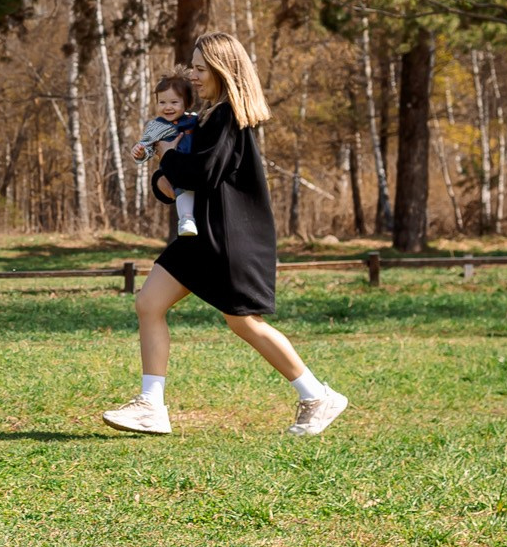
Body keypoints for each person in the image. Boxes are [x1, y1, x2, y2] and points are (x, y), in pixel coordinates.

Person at [101, 30, 349, 440]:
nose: (193, 77)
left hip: (230, 240)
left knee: (243, 322)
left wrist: (164, 157)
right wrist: (165, 173)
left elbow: (200, 173)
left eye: (200, 69)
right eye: (194, 68)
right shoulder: (208, 118)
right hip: (202, 237)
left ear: (222, 70)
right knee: (149, 302)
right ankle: (151, 406)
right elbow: (177, 183)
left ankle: (317, 395)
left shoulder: (228, 117)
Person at [131, 75, 201, 237]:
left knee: (192, 187)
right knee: (183, 189)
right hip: (173, 170)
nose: (167, 107)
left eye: (174, 102)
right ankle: (186, 219)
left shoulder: (194, 120)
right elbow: (148, 146)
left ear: (187, 103)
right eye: (162, 102)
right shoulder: (157, 126)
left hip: (193, 166)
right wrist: (141, 152)